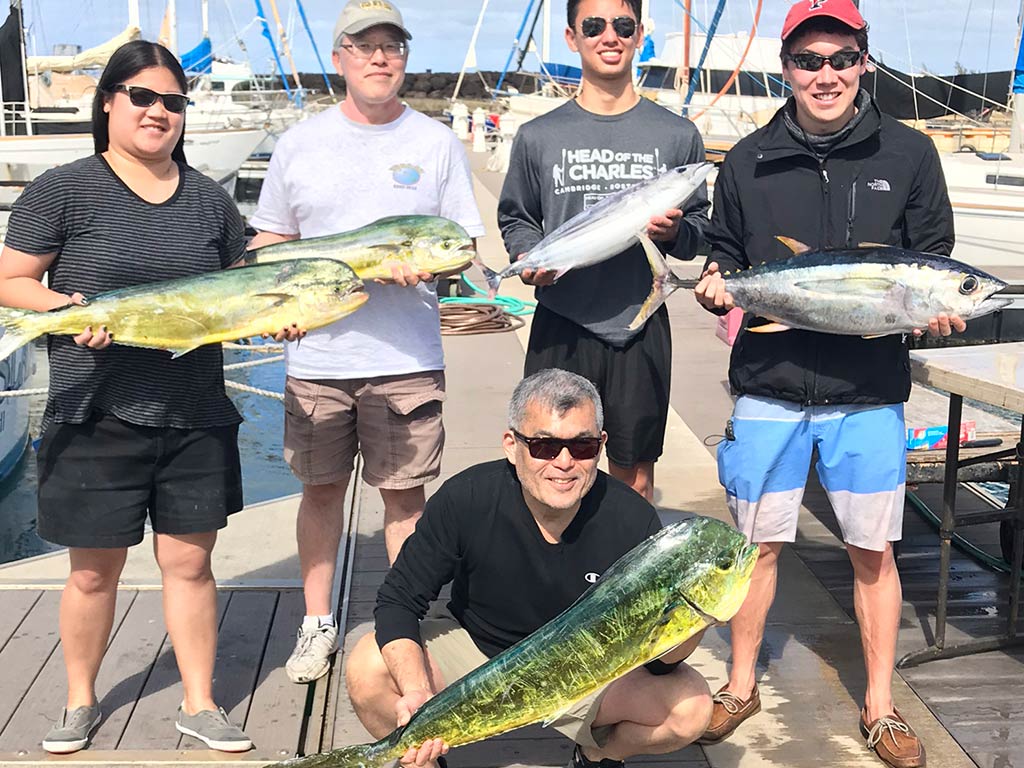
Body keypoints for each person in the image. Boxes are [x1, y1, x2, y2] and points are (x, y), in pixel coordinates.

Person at [0, 40, 300, 754]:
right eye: (143, 97)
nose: (160, 112)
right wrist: (66, 307)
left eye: (174, 102)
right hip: (93, 409)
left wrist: (281, 308)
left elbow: (243, 286)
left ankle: (200, 702)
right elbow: (11, 280)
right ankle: (79, 701)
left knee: (191, 564)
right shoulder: (64, 189)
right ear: (108, 102)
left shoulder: (208, 198)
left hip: (194, 410)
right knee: (92, 570)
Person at [693, 2, 963, 766]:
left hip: (868, 393)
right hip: (769, 386)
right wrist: (719, 283)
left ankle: (879, 707)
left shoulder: (910, 152)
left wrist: (934, 312)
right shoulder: (746, 159)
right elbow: (722, 251)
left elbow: (933, 257)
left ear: (864, 62)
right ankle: (740, 683)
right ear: (786, 69)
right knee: (755, 549)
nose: (826, 75)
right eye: (808, 61)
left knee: (872, 551)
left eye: (840, 58)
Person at [247, 0, 485, 686]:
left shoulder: (436, 143)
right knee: (320, 494)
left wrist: (434, 265)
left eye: (392, 46)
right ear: (341, 57)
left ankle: (399, 625)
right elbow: (270, 242)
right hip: (317, 359)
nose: (380, 57)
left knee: (404, 500)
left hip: (405, 359)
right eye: (365, 46)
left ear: (404, 57)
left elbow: (462, 248)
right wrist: (277, 305)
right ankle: (318, 623)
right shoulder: (299, 142)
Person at [344, 369, 713, 768]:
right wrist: (416, 692)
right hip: (478, 657)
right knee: (368, 666)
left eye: (582, 445)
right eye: (544, 446)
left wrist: (697, 617)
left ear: (601, 446)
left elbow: (659, 660)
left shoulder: (632, 519)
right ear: (511, 444)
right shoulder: (467, 499)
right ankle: (425, 762)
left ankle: (596, 754)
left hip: (587, 675)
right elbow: (398, 600)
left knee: (690, 707)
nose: (565, 463)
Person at [498, 0, 710, 503]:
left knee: (634, 473)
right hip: (562, 321)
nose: (609, 36)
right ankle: (555, 579)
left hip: (638, 322)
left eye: (623, 25)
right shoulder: (537, 136)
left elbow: (702, 231)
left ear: (639, 35)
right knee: (550, 463)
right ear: (572, 37)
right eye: (593, 26)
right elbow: (517, 218)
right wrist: (530, 260)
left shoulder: (678, 136)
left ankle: (627, 578)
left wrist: (674, 234)